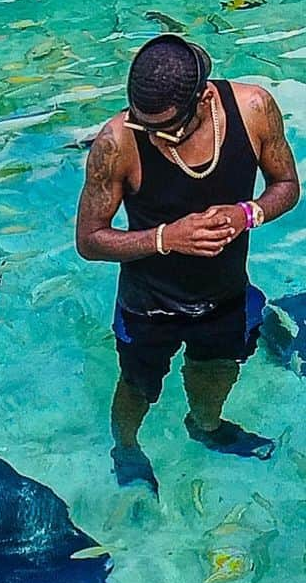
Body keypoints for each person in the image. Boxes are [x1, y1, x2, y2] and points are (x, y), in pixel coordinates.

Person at [75, 35, 299, 495]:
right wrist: (166, 238)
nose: (156, 136)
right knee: (138, 385)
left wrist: (246, 214)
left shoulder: (253, 109)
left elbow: (287, 185)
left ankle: (206, 426)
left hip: (225, 292)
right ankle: (127, 448)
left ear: (207, 97)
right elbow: (89, 240)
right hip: (148, 303)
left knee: (218, 368)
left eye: (168, 128)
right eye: (145, 124)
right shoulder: (118, 141)